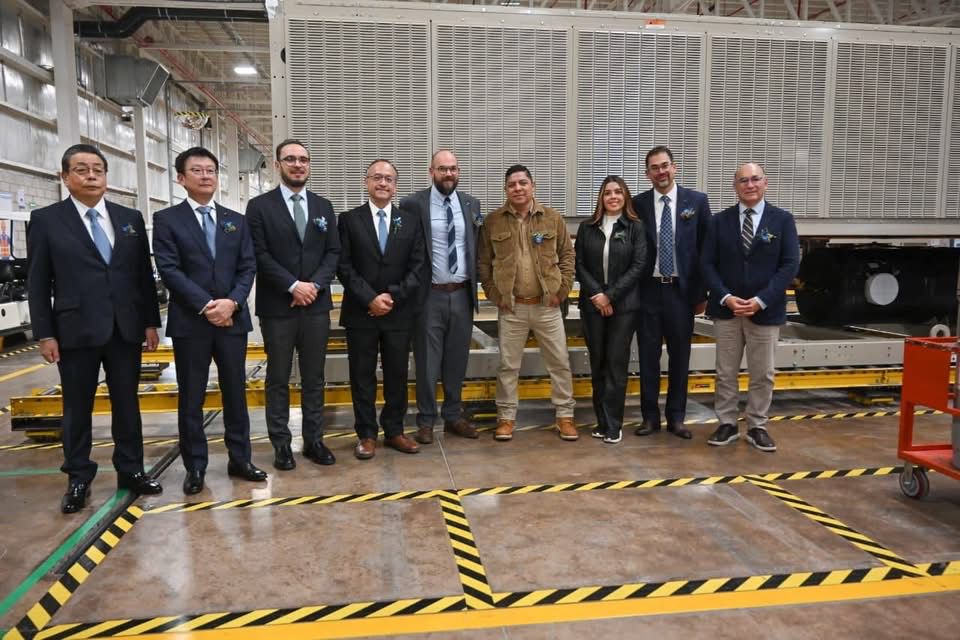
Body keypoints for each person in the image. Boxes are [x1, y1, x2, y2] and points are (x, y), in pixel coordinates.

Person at [28, 143, 162, 513]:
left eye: (98, 170)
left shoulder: (129, 218)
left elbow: (143, 276)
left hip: (125, 329)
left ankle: (131, 470)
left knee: (127, 403)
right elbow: (38, 282)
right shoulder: (47, 220)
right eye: (82, 169)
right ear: (65, 176)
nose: (91, 176)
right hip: (75, 330)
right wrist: (45, 333)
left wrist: (150, 322)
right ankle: (78, 477)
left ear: (106, 176)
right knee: (77, 406)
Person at [153, 147, 267, 494]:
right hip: (191, 322)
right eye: (197, 170)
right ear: (180, 178)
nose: (205, 176)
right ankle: (195, 467)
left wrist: (232, 303)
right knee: (192, 396)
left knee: (235, 393)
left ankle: (240, 459)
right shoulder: (167, 220)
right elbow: (169, 269)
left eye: (211, 170)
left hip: (232, 321)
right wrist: (206, 305)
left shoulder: (236, 220)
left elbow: (248, 266)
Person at [247, 139, 340, 470]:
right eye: (290, 159)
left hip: (315, 305)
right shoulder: (259, 207)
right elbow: (259, 254)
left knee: (314, 377)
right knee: (278, 378)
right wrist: (292, 285)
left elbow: (333, 252)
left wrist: (314, 285)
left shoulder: (323, 206)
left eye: (303, 159)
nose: (298, 165)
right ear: (277, 165)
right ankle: (282, 445)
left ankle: (314, 440)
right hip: (278, 307)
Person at [701, 163, 799, 452]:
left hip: (765, 311)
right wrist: (725, 296)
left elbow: (789, 264)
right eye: (743, 181)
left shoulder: (782, 220)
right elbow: (706, 263)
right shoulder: (719, 222)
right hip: (727, 310)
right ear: (735, 187)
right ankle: (727, 423)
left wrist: (761, 300)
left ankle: (757, 426)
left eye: (755, 179)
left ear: (765, 183)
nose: (750, 185)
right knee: (725, 372)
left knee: (763, 373)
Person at [477, 164, 578, 442]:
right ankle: (506, 418)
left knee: (559, 362)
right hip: (512, 308)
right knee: (508, 366)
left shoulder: (552, 218)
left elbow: (567, 257)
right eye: (512, 185)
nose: (518, 188)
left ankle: (565, 416)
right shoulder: (493, 222)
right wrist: (495, 296)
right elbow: (483, 263)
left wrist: (561, 291)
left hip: (548, 306)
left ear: (533, 186)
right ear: (506, 189)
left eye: (523, 183)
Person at [338, 159, 426, 460]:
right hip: (360, 313)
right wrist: (369, 299)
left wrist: (392, 296)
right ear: (366, 182)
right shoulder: (349, 220)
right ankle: (366, 434)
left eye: (389, 179)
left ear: (395, 186)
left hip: (398, 312)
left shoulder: (410, 222)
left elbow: (418, 266)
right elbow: (344, 266)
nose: (383, 183)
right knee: (362, 375)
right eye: (377, 177)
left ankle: (395, 430)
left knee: (397, 375)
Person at [400, 150, 481, 445]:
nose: (449, 174)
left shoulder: (471, 204)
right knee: (427, 362)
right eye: (443, 169)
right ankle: (425, 420)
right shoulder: (412, 204)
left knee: (457, 359)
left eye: (453, 169)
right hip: (428, 296)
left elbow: (475, 246)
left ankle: (453, 416)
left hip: (461, 294)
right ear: (431, 172)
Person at [633, 146, 711, 440]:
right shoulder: (638, 204)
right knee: (648, 358)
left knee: (680, 357)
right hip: (648, 292)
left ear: (674, 167)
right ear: (647, 174)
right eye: (654, 168)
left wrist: (701, 294)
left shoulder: (697, 202)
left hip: (681, 293)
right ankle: (649, 417)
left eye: (665, 165)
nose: (661, 172)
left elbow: (706, 250)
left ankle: (676, 418)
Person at [575, 176, 647, 444]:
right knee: (598, 363)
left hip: (624, 306)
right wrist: (597, 294)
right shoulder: (587, 227)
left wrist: (610, 296)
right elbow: (579, 264)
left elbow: (638, 266)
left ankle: (614, 424)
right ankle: (601, 421)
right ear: (601, 198)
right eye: (608, 193)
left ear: (625, 196)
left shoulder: (635, 227)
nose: (613, 197)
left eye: (618, 192)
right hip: (593, 305)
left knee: (616, 364)